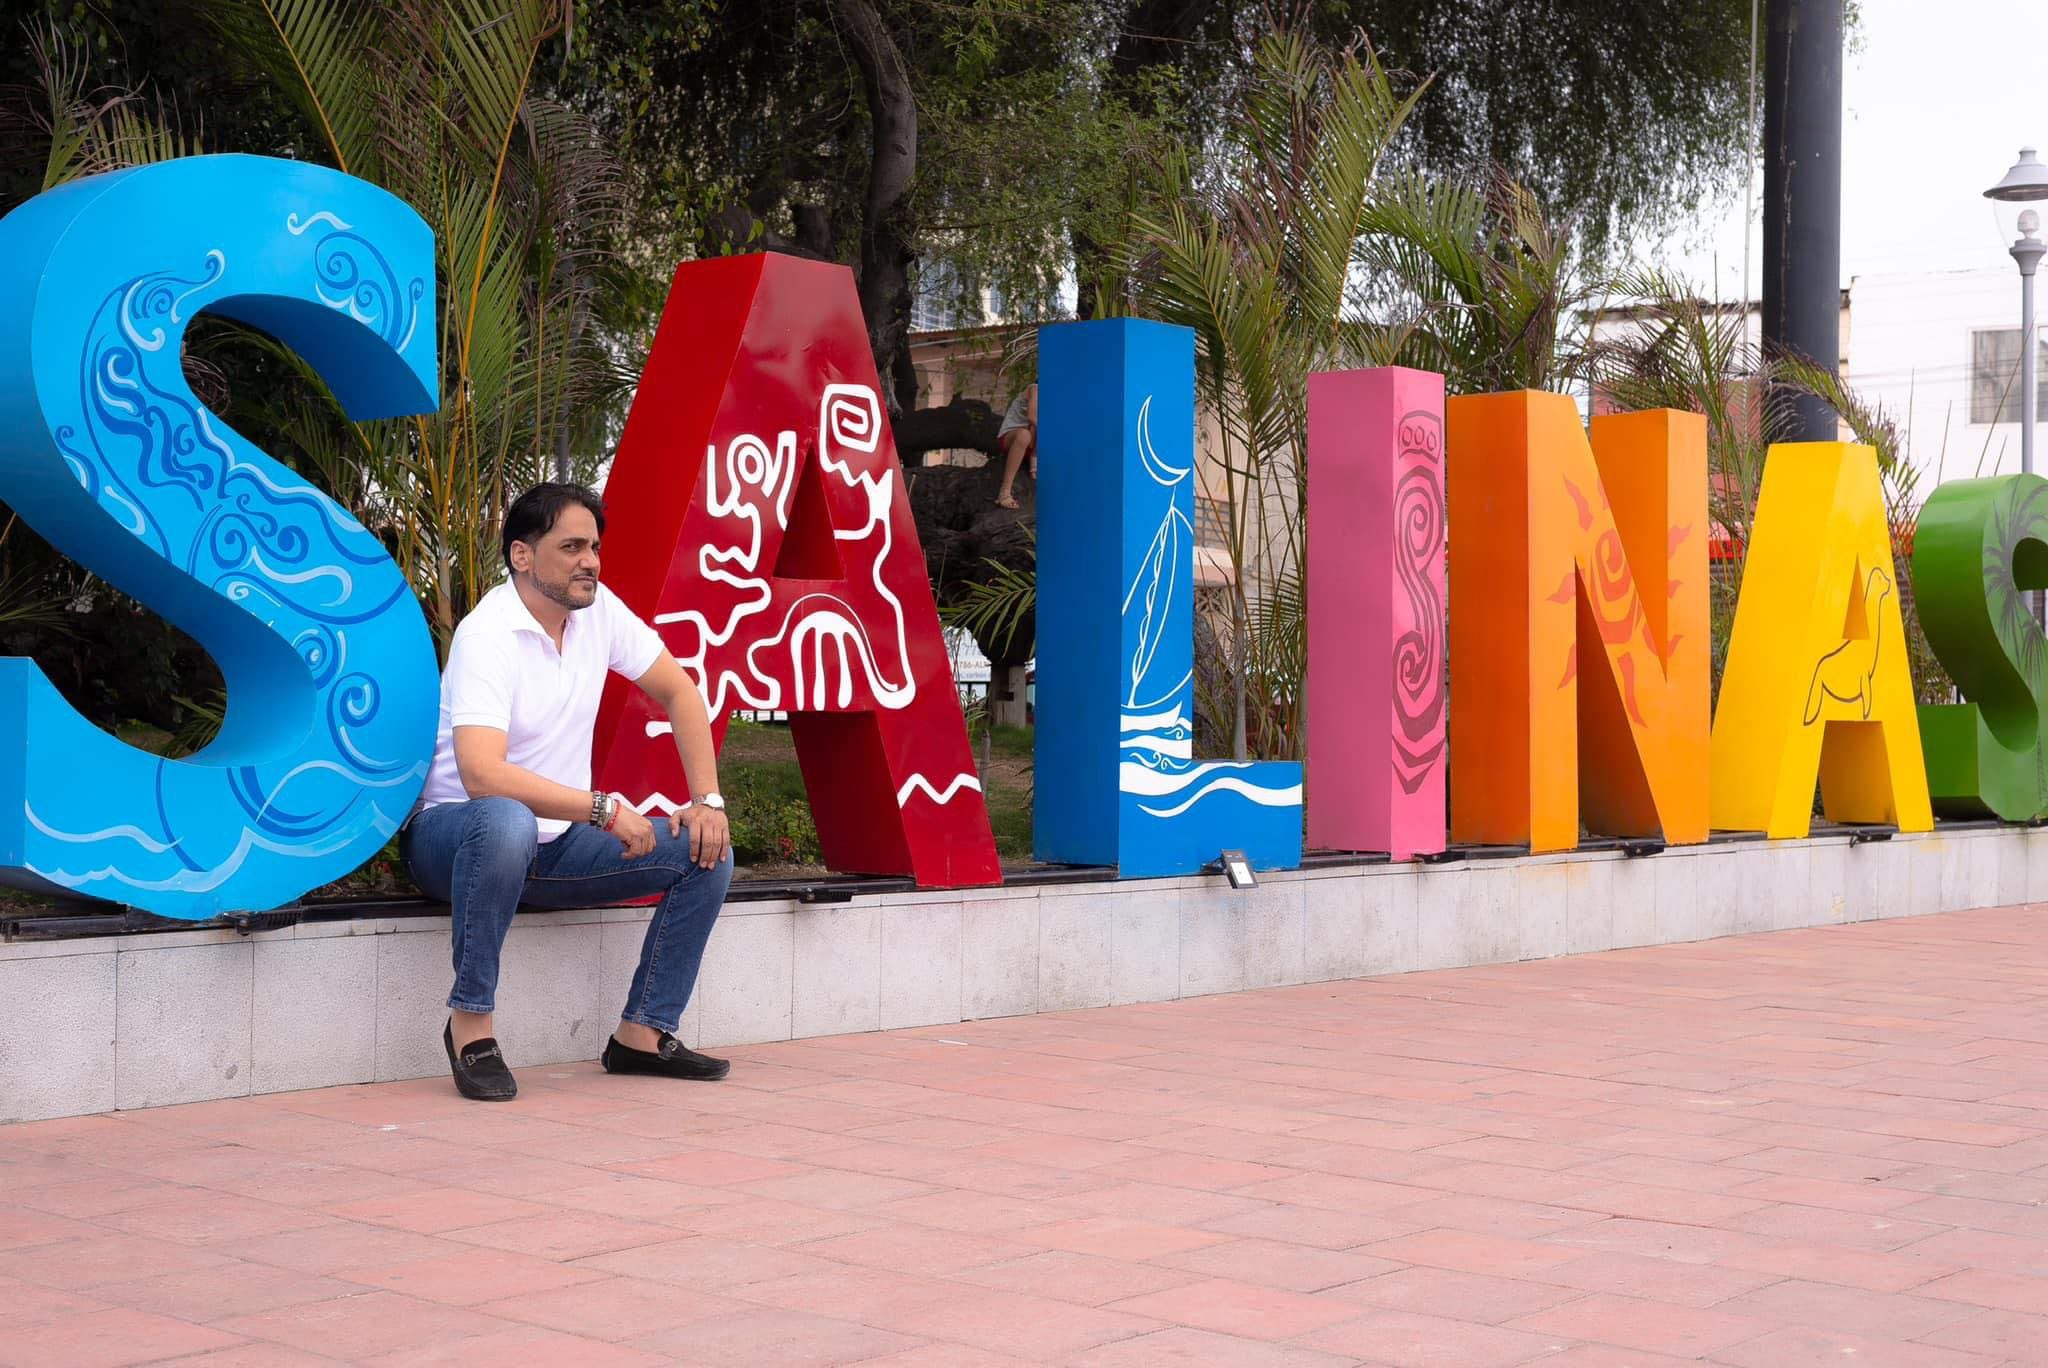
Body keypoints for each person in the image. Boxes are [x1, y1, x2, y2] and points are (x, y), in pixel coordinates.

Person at [400, 482, 735, 1102]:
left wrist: (707, 800)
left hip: (551, 851)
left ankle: (642, 1034)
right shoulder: (488, 634)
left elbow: (681, 691)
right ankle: (471, 1027)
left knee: (706, 849)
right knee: (505, 820)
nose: (590, 562)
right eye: (572, 546)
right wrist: (601, 808)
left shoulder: (598, 612)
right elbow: (481, 774)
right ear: (522, 555)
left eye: (595, 547)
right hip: (457, 839)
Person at [995, 381, 1037, 510]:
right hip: (1012, 439)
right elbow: (1032, 417)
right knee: (1024, 434)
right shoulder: (1035, 388)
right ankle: (1004, 492)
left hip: (1033, 444)